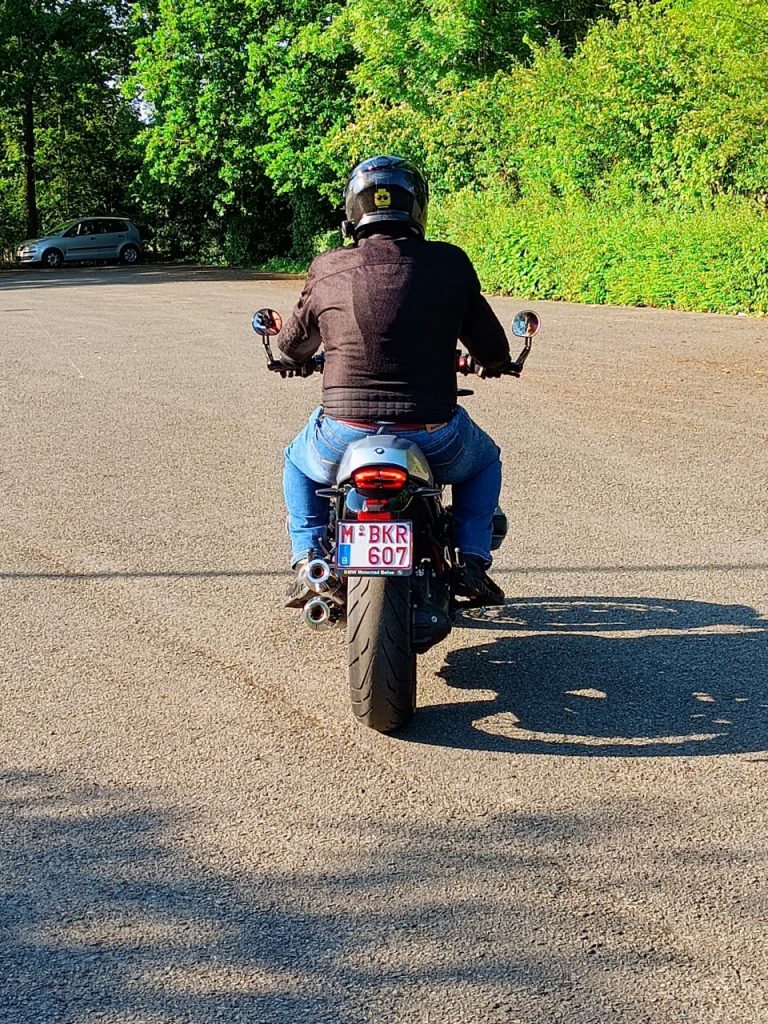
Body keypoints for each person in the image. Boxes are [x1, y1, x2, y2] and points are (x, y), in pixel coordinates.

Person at [276, 154, 513, 608]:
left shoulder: (327, 267)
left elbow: (293, 345)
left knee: (296, 462)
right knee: (485, 461)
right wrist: (495, 362)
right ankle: (472, 562)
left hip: (344, 431)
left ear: (352, 211)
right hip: (433, 432)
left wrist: (291, 360)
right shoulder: (449, 262)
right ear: (417, 208)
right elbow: (492, 347)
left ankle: (310, 561)